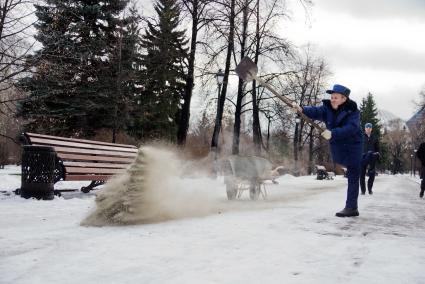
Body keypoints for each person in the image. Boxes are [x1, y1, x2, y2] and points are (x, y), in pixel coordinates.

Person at [295, 84, 363, 217]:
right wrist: (301, 109)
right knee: (345, 166)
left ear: (344, 99)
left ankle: (351, 207)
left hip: (353, 144)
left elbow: (351, 128)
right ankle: (352, 206)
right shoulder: (327, 109)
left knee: (353, 173)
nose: (332, 99)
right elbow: (315, 111)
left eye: (335, 97)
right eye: (331, 97)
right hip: (339, 145)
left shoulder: (352, 111)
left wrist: (333, 133)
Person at [360, 123, 380, 195]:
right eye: (367, 127)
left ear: (371, 129)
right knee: (362, 174)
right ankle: (363, 190)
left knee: (372, 174)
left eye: (369, 127)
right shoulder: (361, 136)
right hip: (363, 157)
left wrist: (377, 155)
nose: (368, 128)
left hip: (372, 157)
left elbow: (378, 149)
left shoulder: (375, 137)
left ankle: (370, 189)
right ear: (365, 128)